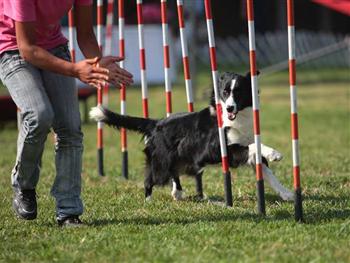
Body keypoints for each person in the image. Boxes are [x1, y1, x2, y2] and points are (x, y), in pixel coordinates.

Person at [0, 0, 133, 226]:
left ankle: (68, 212)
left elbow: (86, 35)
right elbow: (28, 48)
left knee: (70, 127)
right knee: (39, 115)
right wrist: (75, 70)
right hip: (13, 50)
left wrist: (98, 63)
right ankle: (24, 185)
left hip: (54, 47)